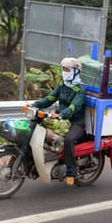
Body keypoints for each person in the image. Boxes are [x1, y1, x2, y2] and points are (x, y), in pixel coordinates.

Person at [33, 57, 86, 186]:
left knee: (68, 140)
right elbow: (49, 99)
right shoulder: (62, 85)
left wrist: (61, 115)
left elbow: (74, 107)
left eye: (67, 69)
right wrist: (34, 105)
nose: (64, 72)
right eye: (63, 69)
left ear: (76, 72)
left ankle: (70, 170)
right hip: (60, 120)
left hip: (76, 122)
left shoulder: (80, 89)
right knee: (38, 125)